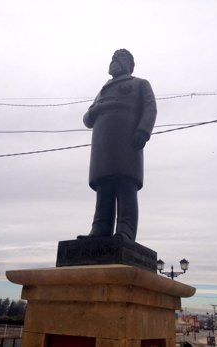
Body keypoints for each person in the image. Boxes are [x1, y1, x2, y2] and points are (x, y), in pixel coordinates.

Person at [78, 49, 157, 242]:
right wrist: (96, 109)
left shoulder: (139, 84)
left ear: (130, 65)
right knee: (104, 187)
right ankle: (100, 229)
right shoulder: (103, 89)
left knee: (125, 186)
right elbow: (87, 119)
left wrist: (143, 131)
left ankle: (126, 231)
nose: (114, 60)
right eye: (112, 57)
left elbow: (150, 108)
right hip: (102, 147)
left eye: (120, 57)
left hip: (126, 144)